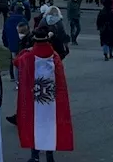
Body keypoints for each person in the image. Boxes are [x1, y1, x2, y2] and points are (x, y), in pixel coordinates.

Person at [14, 28, 74, 162]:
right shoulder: (54, 57)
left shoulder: (28, 56)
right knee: (50, 126)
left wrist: (25, 50)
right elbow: (60, 78)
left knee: (34, 125)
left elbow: (16, 62)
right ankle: (49, 156)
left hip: (34, 98)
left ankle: (34, 155)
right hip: (50, 99)